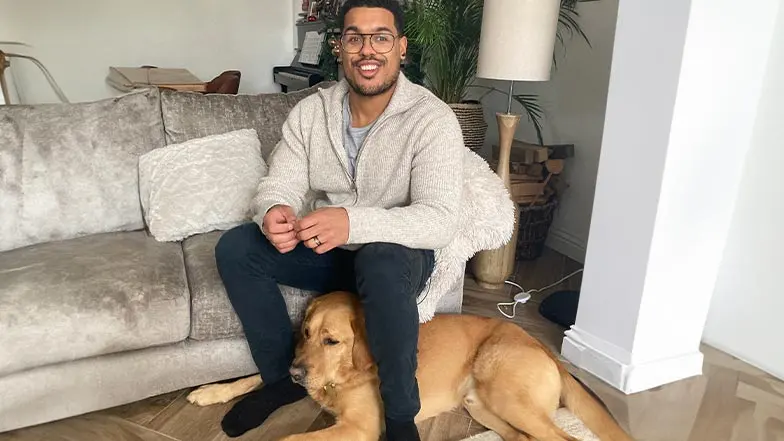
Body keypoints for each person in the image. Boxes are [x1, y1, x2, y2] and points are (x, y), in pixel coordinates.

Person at [214, 0, 465, 439]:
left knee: (381, 259)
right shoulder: (311, 113)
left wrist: (351, 222)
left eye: (380, 37)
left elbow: (439, 220)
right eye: (354, 38)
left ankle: (400, 418)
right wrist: (273, 211)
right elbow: (280, 183)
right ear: (340, 47)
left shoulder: (432, 120)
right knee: (237, 248)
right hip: (330, 251)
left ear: (401, 47)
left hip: (395, 261)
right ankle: (282, 381)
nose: (367, 50)